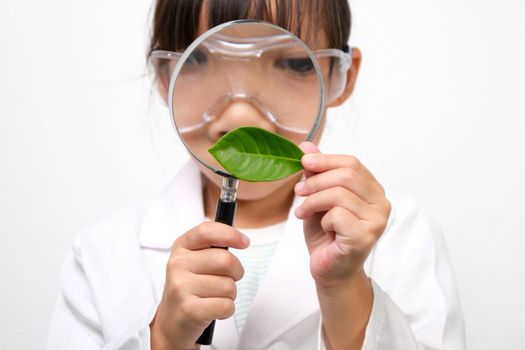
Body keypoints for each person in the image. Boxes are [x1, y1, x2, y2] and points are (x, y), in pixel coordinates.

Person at [48, 1, 466, 349]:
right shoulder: (102, 256)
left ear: (342, 75)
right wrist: (164, 340)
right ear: (163, 75)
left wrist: (346, 290)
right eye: (197, 59)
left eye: (295, 63)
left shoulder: (401, 235)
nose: (241, 115)